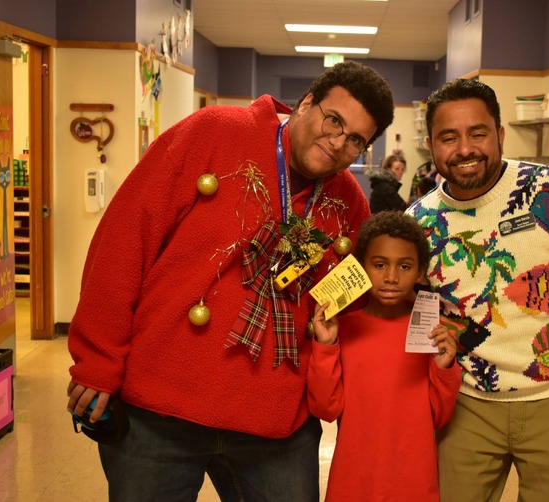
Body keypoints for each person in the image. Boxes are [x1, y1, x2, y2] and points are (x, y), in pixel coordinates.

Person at [66, 61, 394, 501]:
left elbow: (350, 306)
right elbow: (124, 241)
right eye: (333, 120)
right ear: (305, 104)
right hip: (159, 411)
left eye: (356, 139)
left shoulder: (349, 203)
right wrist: (97, 360)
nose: (338, 143)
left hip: (275, 425)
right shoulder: (212, 132)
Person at [406, 79, 549, 502]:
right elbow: (417, 310)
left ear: (499, 135)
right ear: (430, 144)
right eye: (448, 137)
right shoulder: (420, 223)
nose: (464, 149)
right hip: (465, 401)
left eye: (477, 133)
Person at [307, 211, 462, 501]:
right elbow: (325, 409)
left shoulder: (432, 332)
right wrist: (326, 347)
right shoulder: (345, 327)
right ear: (362, 268)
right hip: (354, 478)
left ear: (419, 272)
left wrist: (445, 367)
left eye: (404, 266)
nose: (391, 277)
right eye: (379, 265)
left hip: (413, 480)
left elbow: (439, 417)